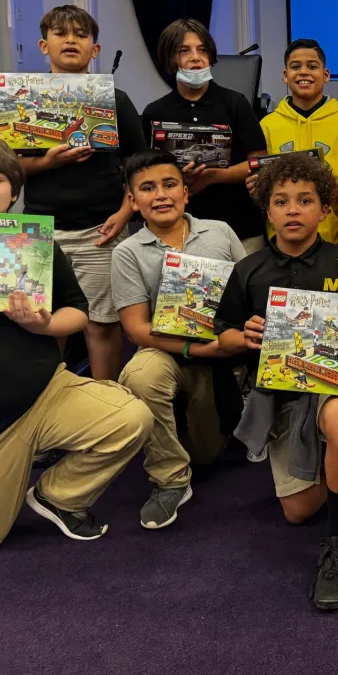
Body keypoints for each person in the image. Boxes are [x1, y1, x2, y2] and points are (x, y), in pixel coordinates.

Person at [215, 153, 338, 612]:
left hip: (335, 387)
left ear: (325, 209)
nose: (292, 210)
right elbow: (222, 332)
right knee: (298, 512)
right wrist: (244, 335)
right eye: (281, 201)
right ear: (267, 210)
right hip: (279, 394)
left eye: (305, 200)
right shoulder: (249, 269)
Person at [0, 138, 152, 549]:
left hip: (45, 392)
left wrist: (43, 324)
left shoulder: (35, 243)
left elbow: (78, 313)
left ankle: (58, 497)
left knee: (130, 419)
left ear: (14, 193)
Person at [111, 150, 247, 529]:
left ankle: (225, 416)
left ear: (185, 193)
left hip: (220, 355)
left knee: (206, 455)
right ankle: (170, 478)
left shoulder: (220, 232)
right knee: (139, 375)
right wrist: (196, 347)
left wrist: (229, 342)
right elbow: (136, 329)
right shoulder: (127, 253)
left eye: (169, 184)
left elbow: (249, 291)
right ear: (133, 201)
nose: (160, 195)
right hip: (167, 352)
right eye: (147, 188)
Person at [21, 5, 148, 383]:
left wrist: (125, 214)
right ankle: (48, 404)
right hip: (41, 230)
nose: (71, 40)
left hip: (101, 231)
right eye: (60, 33)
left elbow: (140, 166)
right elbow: (7, 168)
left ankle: (104, 402)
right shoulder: (23, 99)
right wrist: (46, 162)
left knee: (101, 326)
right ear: (44, 45)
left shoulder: (116, 100)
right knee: (44, 324)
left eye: (80, 34)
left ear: (95, 49)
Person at [141, 19, 267, 254]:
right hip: (177, 233)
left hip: (240, 229)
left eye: (202, 50)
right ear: (170, 58)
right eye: (184, 51)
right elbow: (143, 172)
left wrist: (214, 176)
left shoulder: (236, 103)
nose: (196, 58)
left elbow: (259, 162)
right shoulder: (155, 112)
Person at [249, 38, 338, 245]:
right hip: (279, 242)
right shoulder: (267, 125)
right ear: (285, 75)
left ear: (326, 75)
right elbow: (260, 178)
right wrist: (256, 185)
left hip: (333, 242)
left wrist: (329, 187)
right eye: (296, 66)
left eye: (312, 66)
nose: (304, 72)